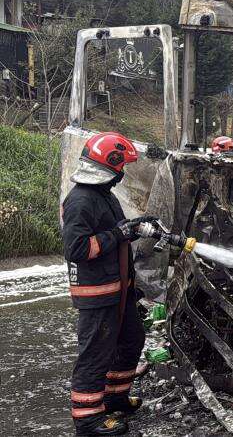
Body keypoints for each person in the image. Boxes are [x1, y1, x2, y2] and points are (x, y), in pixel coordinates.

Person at [61, 132, 160, 436]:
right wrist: (118, 234)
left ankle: (114, 398)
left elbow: (115, 231)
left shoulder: (103, 195)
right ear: (110, 164)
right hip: (98, 294)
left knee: (131, 340)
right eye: (121, 166)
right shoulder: (80, 200)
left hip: (119, 290)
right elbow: (77, 249)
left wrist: (133, 228)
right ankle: (88, 419)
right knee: (96, 354)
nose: (122, 173)